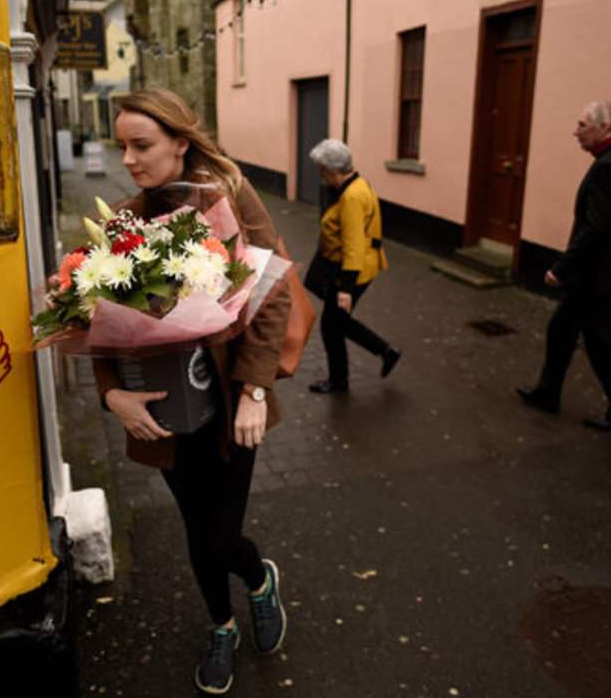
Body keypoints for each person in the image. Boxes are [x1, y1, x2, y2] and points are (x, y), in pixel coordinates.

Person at [91, 88, 289, 695]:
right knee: (194, 529)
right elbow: (95, 319)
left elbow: (270, 292)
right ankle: (222, 626)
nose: (128, 158)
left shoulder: (226, 198)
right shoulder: (123, 219)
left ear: (180, 142)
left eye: (142, 145)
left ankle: (259, 580)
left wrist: (255, 386)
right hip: (159, 411)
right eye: (122, 145)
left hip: (229, 405)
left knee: (222, 534)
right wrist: (110, 397)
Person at [517, 100, 611, 432]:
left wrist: (562, 268)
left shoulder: (608, 167)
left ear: (605, 128)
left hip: (599, 278)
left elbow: (596, 228)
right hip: (605, 273)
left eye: (582, 126)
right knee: (561, 329)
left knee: (604, 344)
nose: (576, 132)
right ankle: (548, 391)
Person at [306, 139, 402, 394]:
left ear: (332, 169)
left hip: (350, 272)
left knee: (331, 325)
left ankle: (340, 380)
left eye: (321, 169)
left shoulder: (351, 196)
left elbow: (354, 244)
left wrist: (346, 288)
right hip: (360, 267)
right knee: (337, 322)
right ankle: (385, 352)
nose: (320, 174)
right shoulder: (359, 184)